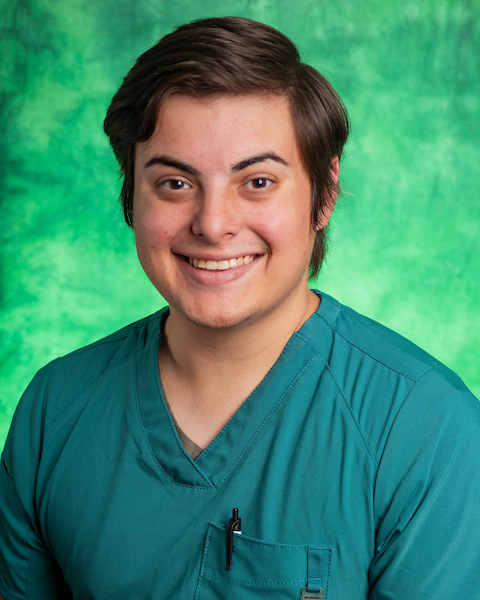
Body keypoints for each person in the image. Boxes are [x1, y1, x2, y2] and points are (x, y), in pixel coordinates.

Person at [0, 16, 479, 600]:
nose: (213, 224)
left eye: (256, 182)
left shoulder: (426, 429)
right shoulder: (56, 410)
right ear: (131, 194)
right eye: (175, 183)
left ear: (323, 194)